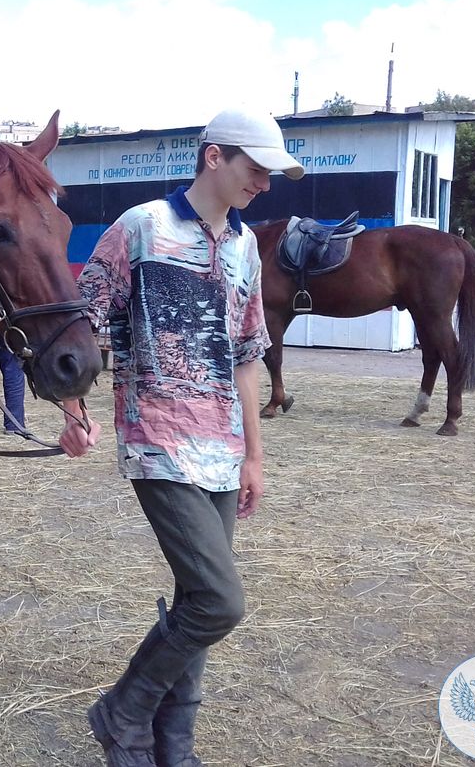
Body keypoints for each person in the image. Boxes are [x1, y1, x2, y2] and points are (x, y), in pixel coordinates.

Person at [59, 108, 304, 767]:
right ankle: (124, 711)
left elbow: (248, 354)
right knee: (222, 601)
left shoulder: (248, 246)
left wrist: (254, 453)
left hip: (223, 447)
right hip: (157, 436)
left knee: (200, 597)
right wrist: (73, 411)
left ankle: (174, 745)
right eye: (256, 168)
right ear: (214, 157)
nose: (266, 183)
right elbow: (82, 323)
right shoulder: (140, 228)